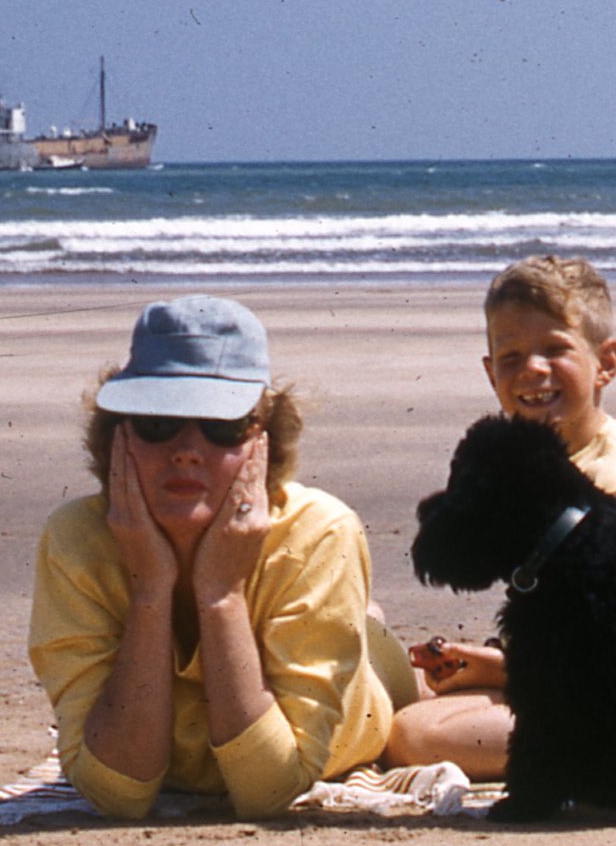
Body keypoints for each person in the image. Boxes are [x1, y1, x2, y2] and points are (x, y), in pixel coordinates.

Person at [28, 295, 404, 818]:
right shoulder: (76, 538)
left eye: (220, 426)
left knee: (421, 722)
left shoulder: (320, 532)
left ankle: (375, 627)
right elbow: (117, 793)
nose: (186, 450)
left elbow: (267, 789)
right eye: (157, 423)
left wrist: (222, 595)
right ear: (117, 435)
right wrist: (151, 589)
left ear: (263, 440)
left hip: (371, 686)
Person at [384, 256, 616, 775]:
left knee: (412, 736)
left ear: (606, 363)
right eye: (511, 357)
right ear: (491, 373)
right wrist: (493, 662)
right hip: (556, 666)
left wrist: (504, 671)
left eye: (555, 350)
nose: (532, 369)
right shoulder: (532, 470)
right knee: (396, 685)